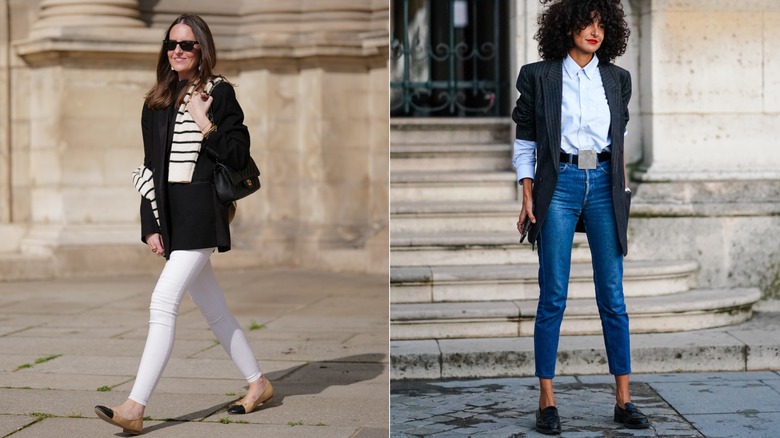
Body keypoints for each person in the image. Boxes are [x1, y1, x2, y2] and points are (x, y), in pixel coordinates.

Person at [94, 14, 271, 435]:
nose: (177, 50)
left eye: (187, 45)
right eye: (172, 43)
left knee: (162, 303)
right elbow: (150, 167)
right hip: (170, 214)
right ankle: (258, 383)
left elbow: (239, 156)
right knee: (214, 310)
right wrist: (150, 223)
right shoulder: (154, 101)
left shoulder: (218, 92)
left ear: (202, 49)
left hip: (202, 212)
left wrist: (204, 121)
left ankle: (135, 407)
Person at [512, 0, 648, 434]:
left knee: (613, 296)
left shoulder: (616, 79)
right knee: (553, 294)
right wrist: (527, 193)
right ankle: (547, 400)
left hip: (605, 184)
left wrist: (622, 189)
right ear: (566, 26)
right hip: (561, 185)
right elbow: (526, 141)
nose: (595, 31)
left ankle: (624, 400)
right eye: (586, 23)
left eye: (601, 24)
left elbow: (620, 140)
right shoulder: (540, 76)